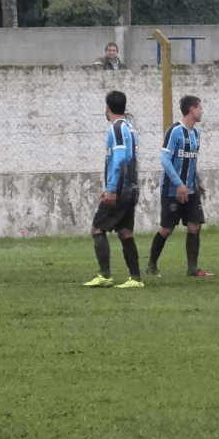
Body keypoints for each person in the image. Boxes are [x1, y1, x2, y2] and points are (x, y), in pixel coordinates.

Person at [83, 90, 143, 289]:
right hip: (132, 186)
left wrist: (111, 188)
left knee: (98, 228)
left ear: (108, 108)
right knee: (125, 232)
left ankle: (105, 275)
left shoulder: (116, 128)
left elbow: (119, 159)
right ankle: (135, 278)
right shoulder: (130, 128)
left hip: (120, 188)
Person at [146, 95, 211, 278]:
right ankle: (151, 265)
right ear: (191, 109)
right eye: (200, 107)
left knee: (194, 226)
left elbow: (191, 161)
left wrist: (197, 181)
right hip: (172, 189)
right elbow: (165, 160)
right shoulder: (174, 131)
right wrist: (179, 184)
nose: (202, 111)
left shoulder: (196, 133)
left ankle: (192, 268)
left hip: (190, 189)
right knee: (167, 229)